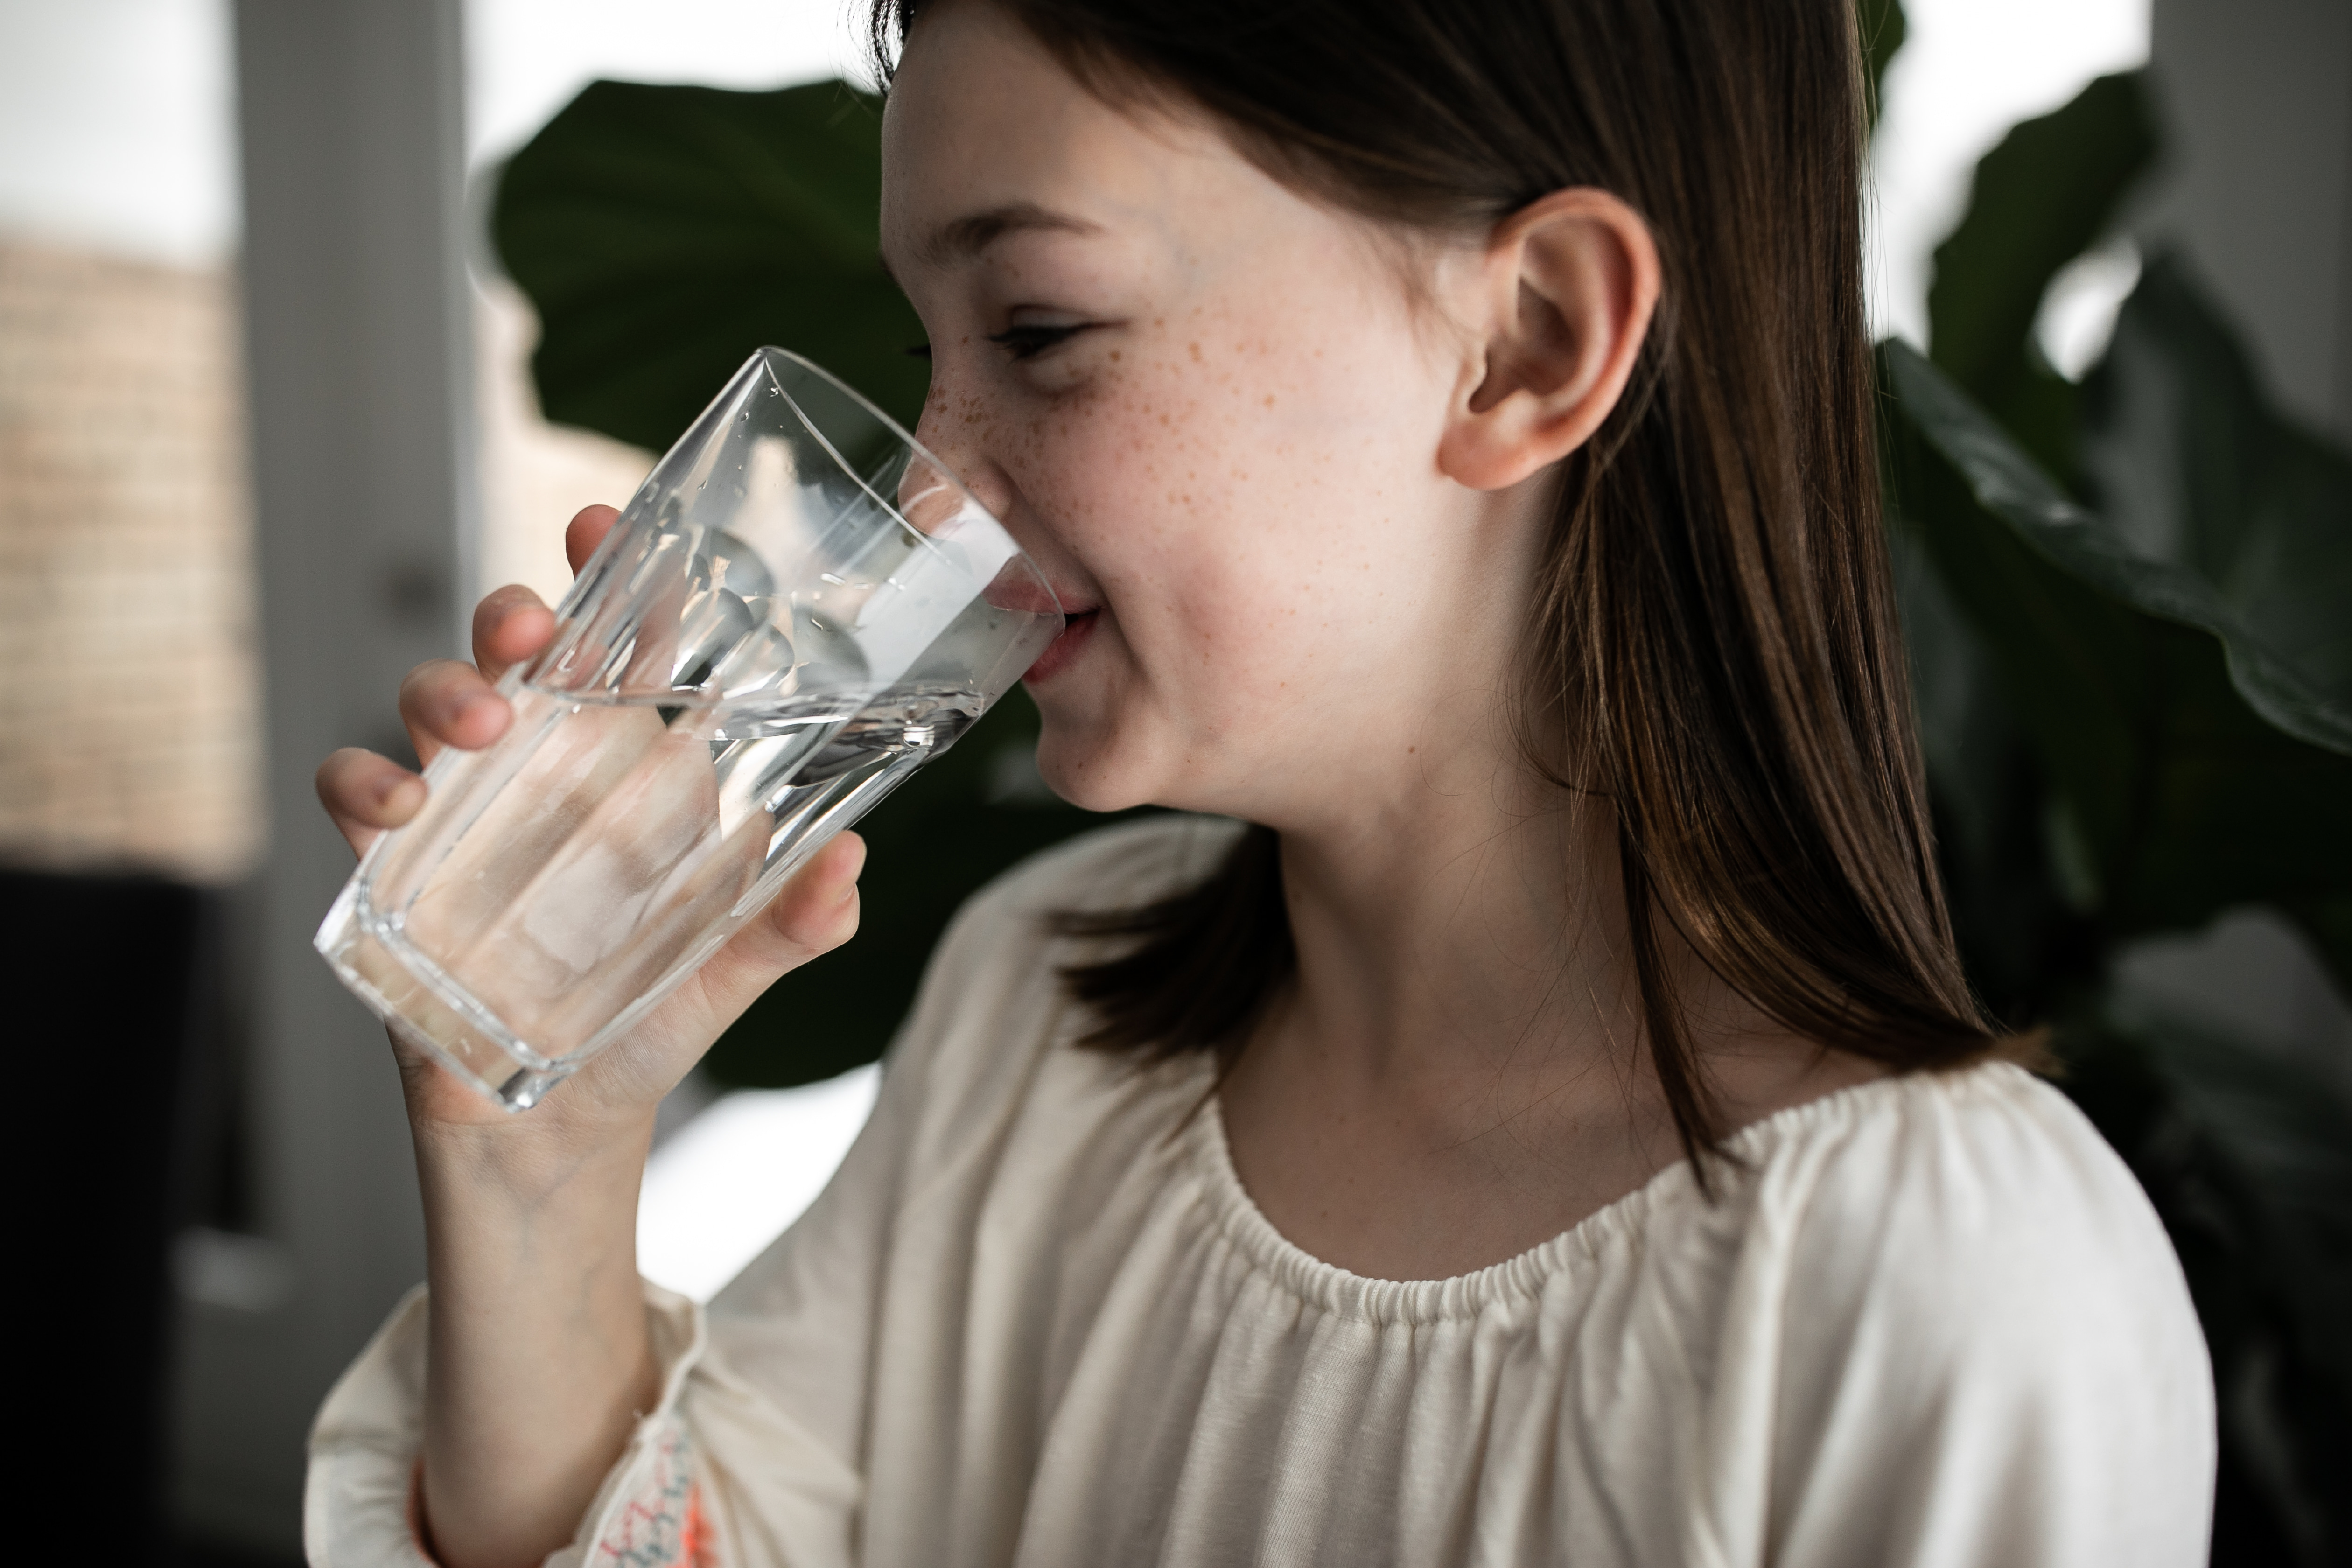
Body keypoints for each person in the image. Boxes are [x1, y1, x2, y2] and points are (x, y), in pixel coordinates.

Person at [306, 1, 2216, 1563]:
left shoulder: (1949, 1291)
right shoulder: (1039, 1012)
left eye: (1042, 332)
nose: (931, 498)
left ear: (1526, 345)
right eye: (931, 354)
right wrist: (538, 1169)